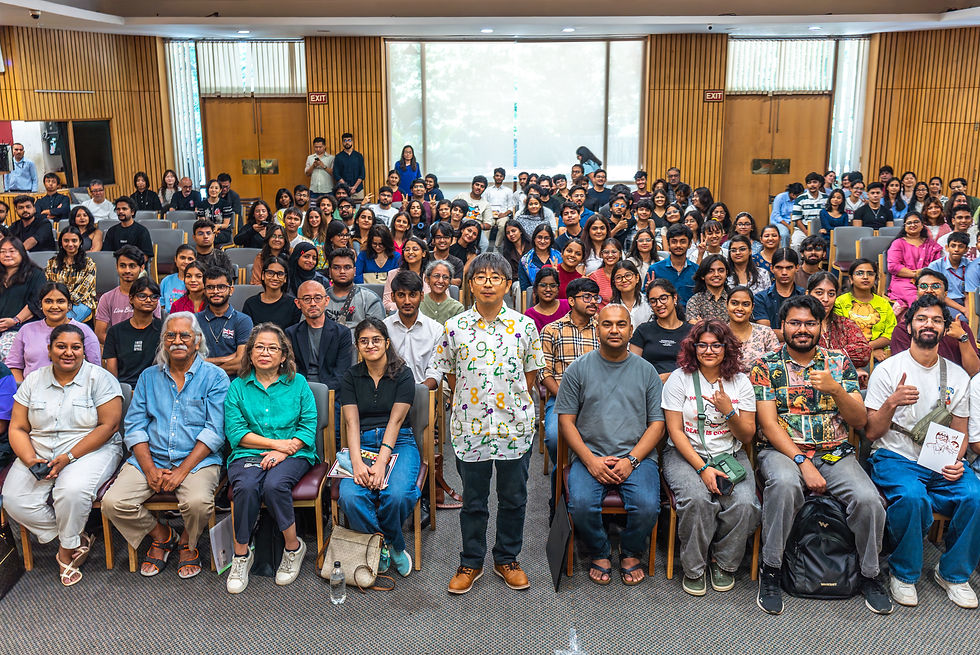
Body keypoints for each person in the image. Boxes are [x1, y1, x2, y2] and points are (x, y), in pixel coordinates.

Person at [750, 295, 891, 615]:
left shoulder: (838, 363)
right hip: (783, 451)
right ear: (782, 327)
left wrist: (837, 390)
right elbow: (769, 426)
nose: (802, 329)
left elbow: (859, 422)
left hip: (835, 453)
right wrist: (801, 461)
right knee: (784, 486)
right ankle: (771, 570)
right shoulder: (766, 366)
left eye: (810, 323)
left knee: (868, 499)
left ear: (821, 326)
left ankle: (870, 574)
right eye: (795, 323)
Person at [433, 252, 544, 594]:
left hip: (514, 428)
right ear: (470, 284)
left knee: (514, 498)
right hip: (471, 428)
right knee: (474, 501)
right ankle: (471, 561)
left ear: (508, 284)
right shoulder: (455, 327)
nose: (488, 283)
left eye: (495, 277)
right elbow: (449, 373)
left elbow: (531, 376)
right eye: (480, 277)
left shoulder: (524, 325)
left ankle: (507, 558)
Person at [866, 295, 980, 608]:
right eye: (921, 318)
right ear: (910, 324)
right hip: (895, 455)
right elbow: (872, 432)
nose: (928, 324)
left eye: (936, 320)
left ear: (945, 329)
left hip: (940, 459)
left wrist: (958, 461)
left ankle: (953, 573)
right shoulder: (889, 371)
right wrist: (892, 402)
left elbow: (961, 429)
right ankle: (903, 573)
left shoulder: (957, 376)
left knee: (975, 494)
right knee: (912, 497)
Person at [101, 312, 229, 580]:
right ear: (163, 341)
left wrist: (181, 471)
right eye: (170, 335)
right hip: (152, 457)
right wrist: (148, 469)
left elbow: (214, 432)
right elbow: (135, 427)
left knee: (197, 503)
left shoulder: (215, 377)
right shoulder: (148, 377)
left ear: (197, 341)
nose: (177, 341)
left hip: (196, 461)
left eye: (185, 335)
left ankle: (186, 542)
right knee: (113, 503)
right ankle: (162, 536)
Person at [2, 323, 121, 587]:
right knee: (13, 499)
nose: (68, 352)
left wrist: (68, 457)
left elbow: (108, 426)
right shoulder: (33, 380)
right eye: (61, 346)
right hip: (39, 450)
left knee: (71, 491)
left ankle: (65, 554)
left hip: (90, 449)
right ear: (49, 349)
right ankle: (74, 538)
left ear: (83, 350)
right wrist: (31, 459)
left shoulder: (100, 378)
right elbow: (18, 427)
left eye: (75, 347)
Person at [557, 304, 664, 586]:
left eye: (621, 324)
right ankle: (600, 550)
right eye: (607, 324)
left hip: (637, 457)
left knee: (647, 506)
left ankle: (630, 551)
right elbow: (566, 422)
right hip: (590, 455)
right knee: (579, 504)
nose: (614, 330)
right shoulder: (577, 369)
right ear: (597, 328)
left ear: (631, 329)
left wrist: (632, 460)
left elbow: (657, 424)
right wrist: (590, 461)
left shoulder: (647, 371)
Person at [662, 319, 760, 595]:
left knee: (745, 504)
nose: (708, 350)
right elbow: (675, 431)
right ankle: (694, 568)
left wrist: (729, 411)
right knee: (697, 500)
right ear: (692, 348)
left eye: (716, 345)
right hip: (686, 454)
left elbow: (747, 436)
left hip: (729, 453)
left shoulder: (740, 383)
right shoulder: (679, 379)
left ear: (726, 348)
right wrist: (703, 467)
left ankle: (724, 562)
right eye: (702, 345)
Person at [223, 323, 318, 593]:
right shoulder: (238, 387)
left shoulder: (297, 383)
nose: (265, 352)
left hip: (295, 452)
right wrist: (276, 445)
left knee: (274, 485)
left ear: (283, 355)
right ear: (250, 353)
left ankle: (293, 547)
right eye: (259, 347)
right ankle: (241, 555)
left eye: (272, 348)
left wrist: (284, 451)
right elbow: (237, 432)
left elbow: (308, 425)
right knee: (246, 486)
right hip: (248, 452)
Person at [539, 278, 601, 474]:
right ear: (572, 301)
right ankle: (563, 478)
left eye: (595, 297)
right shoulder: (551, 330)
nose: (593, 302)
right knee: (555, 437)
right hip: (562, 399)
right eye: (587, 297)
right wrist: (566, 396)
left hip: (600, 400)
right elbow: (544, 372)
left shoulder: (604, 328)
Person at [890, 269, 980, 376]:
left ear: (945, 294)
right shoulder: (905, 328)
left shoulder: (960, 327)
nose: (929, 290)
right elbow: (904, 371)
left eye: (935, 286)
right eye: (923, 286)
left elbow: (974, 372)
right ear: (917, 292)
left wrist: (962, 337)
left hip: (957, 386)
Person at [7, 281, 101, 383]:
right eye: (48, 301)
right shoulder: (27, 330)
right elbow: (14, 365)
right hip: (32, 393)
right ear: (41, 305)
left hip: (73, 393)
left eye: (60, 301)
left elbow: (95, 368)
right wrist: (23, 389)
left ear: (69, 305)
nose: (54, 306)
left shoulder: (84, 331)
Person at [286, 279, 352, 390]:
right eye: (307, 299)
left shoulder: (342, 333)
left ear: (326, 301)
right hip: (299, 392)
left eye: (317, 298)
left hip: (332, 393)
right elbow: (290, 371)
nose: (313, 303)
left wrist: (323, 392)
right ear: (298, 303)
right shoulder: (290, 333)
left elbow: (341, 373)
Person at [383, 271, 442, 391]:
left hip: (423, 392)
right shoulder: (384, 328)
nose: (407, 301)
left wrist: (418, 392)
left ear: (421, 296)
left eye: (412, 295)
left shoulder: (436, 330)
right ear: (393, 297)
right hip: (389, 392)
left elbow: (435, 372)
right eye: (401, 295)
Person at [94, 246, 161, 345]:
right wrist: (120, 348)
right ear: (116, 267)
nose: (127, 270)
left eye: (132, 266)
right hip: (117, 349)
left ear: (142, 268)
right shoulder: (107, 298)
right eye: (123, 265)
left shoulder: (150, 298)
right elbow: (100, 333)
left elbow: (156, 330)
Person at [103, 277, 163, 387]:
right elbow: (112, 375)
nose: (149, 300)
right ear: (131, 298)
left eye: (154, 297)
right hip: (124, 388)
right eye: (142, 296)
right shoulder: (115, 332)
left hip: (156, 387)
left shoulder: (164, 329)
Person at [630, 279, 692, 381]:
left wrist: (671, 377)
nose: (658, 304)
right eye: (653, 301)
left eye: (663, 298)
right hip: (649, 386)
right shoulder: (643, 330)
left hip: (684, 385)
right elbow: (633, 367)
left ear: (674, 298)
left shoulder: (691, 332)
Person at [806, 272, 871, 370]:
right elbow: (801, 356)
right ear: (808, 294)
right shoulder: (801, 325)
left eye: (831, 294)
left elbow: (864, 353)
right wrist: (843, 356)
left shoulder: (845, 324)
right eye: (819, 293)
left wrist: (824, 354)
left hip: (845, 382)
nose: (826, 299)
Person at [835, 258, 896, 362]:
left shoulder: (884, 304)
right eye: (859, 273)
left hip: (879, 355)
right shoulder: (840, 302)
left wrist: (870, 348)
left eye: (870, 274)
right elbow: (839, 334)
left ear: (876, 278)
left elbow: (890, 334)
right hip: (846, 356)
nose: (865, 277)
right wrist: (868, 350)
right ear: (851, 279)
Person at [195, 268, 252, 376]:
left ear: (231, 290)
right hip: (199, 383)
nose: (215, 291)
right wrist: (228, 358)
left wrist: (205, 365)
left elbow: (241, 362)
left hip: (232, 383)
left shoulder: (243, 320)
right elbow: (190, 360)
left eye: (221, 287)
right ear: (204, 291)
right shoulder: (194, 320)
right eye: (210, 287)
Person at [887, 212, 944, 310]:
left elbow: (937, 265)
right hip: (903, 282)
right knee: (918, 299)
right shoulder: (898, 243)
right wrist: (915, 274)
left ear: (922, 225)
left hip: (929, 281)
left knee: (939, 295)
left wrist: (925, 276)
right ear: (904, 227)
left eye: (916, 222)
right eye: (909, 223)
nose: (912, 225)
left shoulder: (931, 244)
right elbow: (893, 266)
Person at [324, 248, 384, 333]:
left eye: (347, 267)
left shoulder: (369, 299)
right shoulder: (319, 299)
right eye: (336, 267)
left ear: (354, 271)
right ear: (330, 272)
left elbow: (377, 334)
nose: (342, 271)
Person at [45, 227, 96, 322]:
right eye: (66, 241)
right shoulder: (52, 262)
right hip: (56, 301)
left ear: (80, 241)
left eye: (74, 240)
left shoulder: (89, 264)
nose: (70, 244)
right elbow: (49, 285)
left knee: (62, 321)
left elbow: (83, 291)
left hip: (81, 302)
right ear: (61, 242)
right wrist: (60, 302)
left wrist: (65, 302)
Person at [726, 285, 779, 373]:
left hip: (761, 385)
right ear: (726, 305)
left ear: (752, 307)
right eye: (734, 303)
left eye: (745, 304)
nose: (740, 308)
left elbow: (776, 364)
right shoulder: (719, 333)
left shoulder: (765, 333)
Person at [242, 256, 301, 331]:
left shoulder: (294, 305)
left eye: (280, 274)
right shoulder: (250, 304)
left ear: (285, 278)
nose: (275, 278)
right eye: (270, 273)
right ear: (263, 275)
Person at [752, 249, 804, 333]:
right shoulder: (760, 298)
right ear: (772, 268)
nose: (784, 272)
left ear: (797, 268)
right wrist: (796, 333)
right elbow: (765, 333)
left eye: (789, 267)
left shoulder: (804, 296)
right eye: (779, 267)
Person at [647, 224, 697, 305]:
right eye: (674, 241)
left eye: (683, 241)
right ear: (668, 243)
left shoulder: (697, 270)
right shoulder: (654, 269)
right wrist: (648, 290)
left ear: (690, 244)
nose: (678, 245)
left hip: (689, 316)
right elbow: (646, 299)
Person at [382, 236, 429, 313]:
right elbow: (386, 303)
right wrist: (406, 307)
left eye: (415, 249)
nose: (410, 252)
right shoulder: (393, 274)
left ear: (423, 253)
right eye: (407, 249)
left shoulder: (432, 276)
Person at [929, 231, 970, 319]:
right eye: (953, 245)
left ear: (967, 249)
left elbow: (968, 293)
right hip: (943, 302)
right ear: (947, 248)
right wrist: (964, 310)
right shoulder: (935, 266)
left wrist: (968, 310)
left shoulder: (969, 265)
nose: (956, 249)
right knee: (962, 320)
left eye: (961, 246)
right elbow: (937, 294)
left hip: (965, 302)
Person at [102, 196, 153, 262]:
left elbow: (145, 257)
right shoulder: (111, 231)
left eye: (124, 209)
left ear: (132, 212)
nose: (120, 211)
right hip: (115, 267)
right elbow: (107, 254)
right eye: (118, 209)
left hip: (135, 267)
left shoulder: (142, 231)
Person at [686, 255, 730, 324]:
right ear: (703, 276)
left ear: (726, 273)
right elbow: (695, 326)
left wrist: (705, 325)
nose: (716, 274)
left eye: (721, 271)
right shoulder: (695, 301)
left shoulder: (734, 298)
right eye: (710, 271)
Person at [454, 176, 494, 252]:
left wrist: (475, 226)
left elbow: (488, 224)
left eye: (482, 186)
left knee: (485, 244)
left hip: (476, 227)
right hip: (459, 223)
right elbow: (451, 208)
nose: (479, 188)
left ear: (484, 189)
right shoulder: (462, 196)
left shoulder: (486, 204)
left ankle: (479, 261)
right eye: (477, 184)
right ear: (472, 185)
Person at [524, 268, 569, 333]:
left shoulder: (567, 306)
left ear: (558, 289)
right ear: (536, 289)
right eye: (543, 285)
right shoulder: (530, 314)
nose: (548, 289)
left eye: (553, 286)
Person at [518, 224, 561, 292]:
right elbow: (525, 288)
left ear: (551, 240)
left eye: (546, 238)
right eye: (539, 237)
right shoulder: (525, 261)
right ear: (534, 239)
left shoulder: (559, 257)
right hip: (534, 297)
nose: (542, 241)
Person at [420, 261, 465, 325]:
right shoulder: (419, 303)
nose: (441, 281)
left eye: (445, 277)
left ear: (449, 281)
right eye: (436, 276)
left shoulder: (457, 308)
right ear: (427, 279)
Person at [158, 244, 197, 312]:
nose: (186, 262)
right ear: (175, 259)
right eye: (182, 258)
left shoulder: (197, 282)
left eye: (190, 259)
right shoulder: (166, 280)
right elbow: (161, 305)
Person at [484, 167, 513, 247]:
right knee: (486, 226)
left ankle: (497, 247)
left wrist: (504, 214)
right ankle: (484, 247)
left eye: (501, 176)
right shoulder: (488, 190)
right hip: (490, 215)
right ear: (494, 177)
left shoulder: (508, 191)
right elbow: (484, 204)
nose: (499, 177)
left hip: (502, 215)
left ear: (503, 178)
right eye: (497, 175)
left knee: (503, 226)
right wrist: (489, 214)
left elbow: (510, 207)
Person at [769, 183, 803, 248]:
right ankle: (785, 252)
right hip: (780, 222)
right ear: (792, 194)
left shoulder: (799, 199)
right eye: (797, 195)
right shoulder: (780, 197)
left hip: (794, 221)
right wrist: (788, 226)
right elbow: (776, 215)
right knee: (784, 234)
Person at [333, 133, 366, 200]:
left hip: (358, 190)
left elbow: (362, 174)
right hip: (343, 191)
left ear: (352, 141)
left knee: (359, 209)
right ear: (342, 142)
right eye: (345, 140)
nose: (347, 142)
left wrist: (354, 187)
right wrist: (346, 187)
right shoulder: (338, 157)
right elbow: (336, 174)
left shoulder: (358, 156)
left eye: (349, 140)